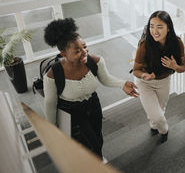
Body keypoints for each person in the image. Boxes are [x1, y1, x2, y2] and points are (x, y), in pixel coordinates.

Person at [43, 18, 139, 158]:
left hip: (93, 105)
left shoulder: (95, 61)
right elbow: (50, 104)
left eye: (85, 46)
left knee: (98, 139)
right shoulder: (53, 74)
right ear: (63, 54)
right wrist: (52, 130)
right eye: (77, 51)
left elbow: (105, 79)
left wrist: (122, 84)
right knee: (92, 145)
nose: (84, 52)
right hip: (71, 112)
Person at [132, 10, 185, 143]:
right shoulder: (144, 45)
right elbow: (135, 70)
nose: (154, 31)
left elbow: (183, 68)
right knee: (158, 117)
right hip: (144, 82)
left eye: (160, 27)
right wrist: (144, 75)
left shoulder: (177, 43)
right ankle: (164, 131)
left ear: (168, 28)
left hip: (164, 81)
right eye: (151, 26)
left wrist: (174, 66)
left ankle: (154, 125)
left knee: (160, 110)